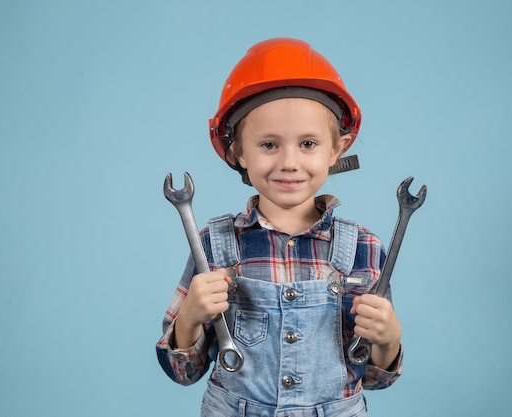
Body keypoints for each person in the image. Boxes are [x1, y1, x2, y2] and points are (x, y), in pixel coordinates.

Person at [157, 37, 402, 416]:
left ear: (338, 148)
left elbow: (375, 376)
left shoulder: (363, 248)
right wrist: (189, 316)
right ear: (237, 150)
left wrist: (389, 340)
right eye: (269, 144)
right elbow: (183, 371)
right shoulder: (213, 245)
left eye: (308, 143)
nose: (289, 162)